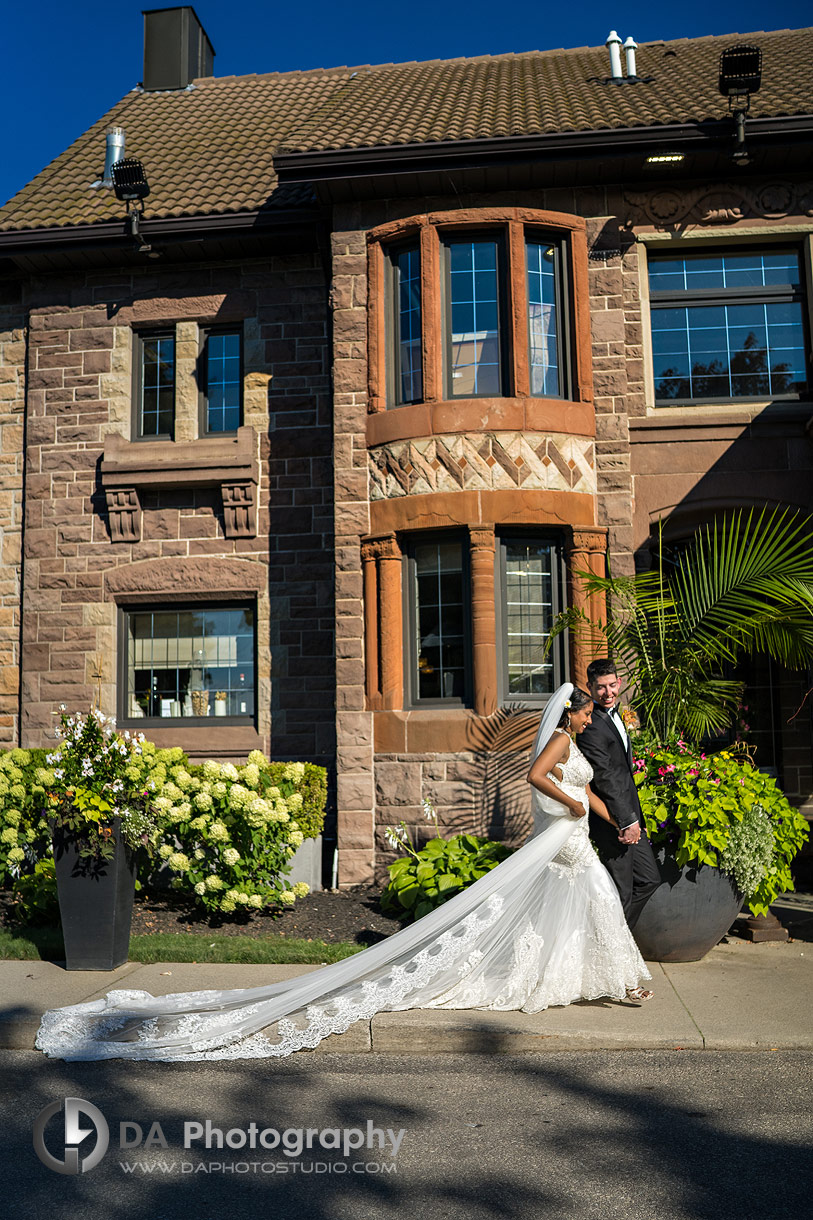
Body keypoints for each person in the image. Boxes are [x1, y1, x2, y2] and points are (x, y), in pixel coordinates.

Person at [36, 683, 652, 1063]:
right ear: (568, 715)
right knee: (583, 900)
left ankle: (599, 976)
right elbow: (540, 779)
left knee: (578, 904)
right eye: (578, 712)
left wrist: (599, 812)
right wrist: (574, 807)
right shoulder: (559, 744)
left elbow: (588, 789)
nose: (583, 718)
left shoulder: (577, 746)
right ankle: (619, 980)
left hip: (573, 840)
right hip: (563, 838)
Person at [578, 659, 662, 929]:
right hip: (613, 822)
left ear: (619, 683)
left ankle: (614, 943)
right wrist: (627, 821)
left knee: (649, 879)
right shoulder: (590, 727)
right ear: (590, 687)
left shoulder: (615, 715)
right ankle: (607, 952)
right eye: (600, 687)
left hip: (631, 815)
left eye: (612, 685)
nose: (608, 692)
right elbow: (606, 777)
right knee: (621, 892)